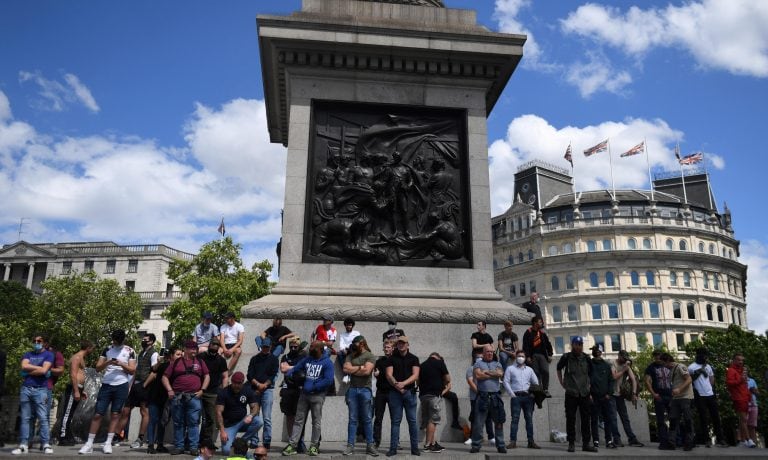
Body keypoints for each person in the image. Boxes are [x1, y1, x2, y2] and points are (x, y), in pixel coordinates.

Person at [79, 329, 137, 455]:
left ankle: (108, 442)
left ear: (122, 340)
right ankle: (89, 443)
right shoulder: (107, 349)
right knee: (98, 414)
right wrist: (109, 362)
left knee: (115, 414)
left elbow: (132, 370)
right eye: (114, 340)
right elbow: (98, 368)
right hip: (106, 384)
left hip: (121, 384)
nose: (115, 343)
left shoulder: (130, 351)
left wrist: (121, 364)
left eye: (117, 341)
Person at [281, 341, 335, 456]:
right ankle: (293, 445)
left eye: (312, 347)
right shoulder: (307, 359)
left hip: (317, 396)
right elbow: (296, 368)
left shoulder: (327, 363)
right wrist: (289, 375)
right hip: (304, 395)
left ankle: (314, 446)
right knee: (298, 420)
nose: (310, 348)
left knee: (316, 422)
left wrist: (314, 387)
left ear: (320, 349)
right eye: (310, 346)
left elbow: (328, 380)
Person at [162, 339, 211, 456]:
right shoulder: (176, 362)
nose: (194, 350)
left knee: (194, 423)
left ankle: (193, 447)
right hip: (178, 396)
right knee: (178, 423)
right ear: (185, 349)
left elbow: (207, 376)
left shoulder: (200, 361)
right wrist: (169, 390)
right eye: (191, 348)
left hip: (194, 396)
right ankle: (179, 446)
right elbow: (164, 377)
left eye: (195, 348)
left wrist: (202, 390)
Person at [12, 334, 55, 455]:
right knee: (25, 418)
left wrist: (30, 370)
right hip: (26, 389)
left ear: (44, 343)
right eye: (34, 340)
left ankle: (46, 443)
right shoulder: (28, 354)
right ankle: (23, 444)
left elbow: (44, 370)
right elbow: (23, 366)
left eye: (39, 341)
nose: (36, 342)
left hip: (41, 389)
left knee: (43, 417)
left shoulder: (48, 354)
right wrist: (39, 368)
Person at [556, 336, 596, 453]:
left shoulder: (587, 358)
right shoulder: (566, 357)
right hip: (571, 393)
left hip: (584, 393)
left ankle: (586, 444)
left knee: (585, 419)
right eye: (576, 344)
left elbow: (592, 373)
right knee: (570, 419)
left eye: (580, 344)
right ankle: (571, 443)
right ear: (572, 345)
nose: (578, 346)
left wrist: (589, 386)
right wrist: (561, 382)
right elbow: (558, 368)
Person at [120, 333, 160, 450]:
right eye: (143, 339)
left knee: (144, 411)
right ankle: (116, 436)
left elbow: (154, 372)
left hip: (144, 386)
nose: (143, 341)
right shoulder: (141, 353)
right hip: (135, 385)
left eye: (145, 340)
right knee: (126, 410)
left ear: (151, 341)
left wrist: (144, 385)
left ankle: (140, 438)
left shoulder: (154, 353)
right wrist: (130, 386)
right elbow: (136, 370)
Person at [342, 336, 379, 456]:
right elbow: (345, 369)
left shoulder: (370, 356)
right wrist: (359, 367)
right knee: (352, 419)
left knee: (367, 419)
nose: (353, 345)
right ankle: (350, 446)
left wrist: (353, 369)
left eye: (355, 343)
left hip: (365, 390)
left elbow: (367, 372)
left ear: (362, 344)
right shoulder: (351, 354)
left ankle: (370, 445)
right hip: (352, 390)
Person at [385, 336, 421, 457]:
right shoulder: (391, 359)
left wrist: (403, 384)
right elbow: (389, 375)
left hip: (409, 392)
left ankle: (415, 448)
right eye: (399, 343)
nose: (401, 345)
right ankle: (393, 448)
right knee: (395, 421)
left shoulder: (414, 358)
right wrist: (397, 385)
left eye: (403, 343)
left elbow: (415, 376)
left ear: (407, 345)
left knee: (412, 421)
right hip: (395, 393)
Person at [469, 345, 506, 454]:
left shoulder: (497, 363)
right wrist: (493, 374)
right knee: (478, 424)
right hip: (482, 397)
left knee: (499, 422)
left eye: (492, 352)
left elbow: (500, 374)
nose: (490, 353)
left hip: (495, 397)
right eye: (488, 352)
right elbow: (478, 376)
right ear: (483, 353)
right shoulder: (478, 363)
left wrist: (486, 372)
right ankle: (476, 445)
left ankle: (501, 445)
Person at [57, 340, 94, 445]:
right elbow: (73, 375)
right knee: (67, 413)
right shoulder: (76, 357)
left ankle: (68, 435)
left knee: (71, 414)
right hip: (74, 388)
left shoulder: (81, 358)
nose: (92, 351)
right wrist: (76, 390)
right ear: (88, 348)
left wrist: (82, 390)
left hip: (79, 388)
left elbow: (80, 374)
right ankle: (62, 436)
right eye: (92, 348)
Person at [146, 347, 182, 454]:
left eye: (181, 354)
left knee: (163, 422)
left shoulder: (179, 368)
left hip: (167, 399)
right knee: (153, 421)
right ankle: (151, 445)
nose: (180, 356)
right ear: (171, 356)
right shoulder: (165, 366)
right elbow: (154, 370)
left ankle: (160, 444)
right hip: (156, 397)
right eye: (177, 354)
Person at [688, 348, 726, 447]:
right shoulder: (691, 367)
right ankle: (706, 440)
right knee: (703, 418)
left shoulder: (708, 366)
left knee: (716, 418)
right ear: (698, 355)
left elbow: (712, 379)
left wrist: (711, 390)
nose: (705, 357)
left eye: (706, 355)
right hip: (700, 395)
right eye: (704, 355)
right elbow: (689, 381)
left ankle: (721, 439)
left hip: (710, 395)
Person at [217, 371, 263, 454]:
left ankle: (241, 442)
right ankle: (235, 444)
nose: (236, 385)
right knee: (226, 451)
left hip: (242, 422)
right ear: (231, 381)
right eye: (234, 383)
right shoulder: (224, 392)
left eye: (239, 383)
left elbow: (255, 406)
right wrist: (222, 431)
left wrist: (251, 415)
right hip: (229, 425)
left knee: (258, 421)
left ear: (242, 382)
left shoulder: (247, 390)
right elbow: (218, 412)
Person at [247, 337, 280, 449]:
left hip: (268, 389)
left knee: (267, 418)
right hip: (255, 389)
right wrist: (257, 384)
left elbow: (273, 374)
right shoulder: (254, 359)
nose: (265, 348)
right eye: (263, 346)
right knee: (255, 416)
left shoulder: (274, 359)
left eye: (267, 346)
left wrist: (264, 385)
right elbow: (249, 374)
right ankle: (254, 440)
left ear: (270, 346)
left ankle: (266, 441)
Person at [502, 349, 539, 449]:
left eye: (522, 356)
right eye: (519, 356)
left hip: (528, 397)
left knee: (529, 420)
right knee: (514, 420)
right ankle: (513, 442)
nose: (521, 358)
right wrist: (512, 394)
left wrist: (532, 394)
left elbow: (536, 383)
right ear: (516, 357)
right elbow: (505, 382)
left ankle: (531, 442)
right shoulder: (510, 368)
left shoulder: (529, 370)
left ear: (525, 358)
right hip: (516, 397)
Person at [279, 337, 308, 452]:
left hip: (299, 389)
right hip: (288, 389)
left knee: (300, 417)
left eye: (295, 346)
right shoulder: (285, 357)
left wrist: (290, 367)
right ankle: (292, 441)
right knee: (289, 416)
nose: (293, 348)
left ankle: (300, 440)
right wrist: (296, 368)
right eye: (291, 346)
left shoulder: (303, 357)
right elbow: (282, 369)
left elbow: (304, 369)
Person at [610, 350, 644, 447]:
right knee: (613, 418)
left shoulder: (626, 365)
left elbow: (633, 380)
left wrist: (634, 393)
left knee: (625, 418)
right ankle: (617, 439)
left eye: (626, 359)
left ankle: (632, 438)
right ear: (619, 356)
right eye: (623, 358)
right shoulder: (613, 363)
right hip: (612, 394)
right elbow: (614, 376)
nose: (624, 360)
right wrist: (624, 370)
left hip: (620, 395)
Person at [418, 352, 450, 453]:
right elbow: (448, 379)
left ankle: (433, 443)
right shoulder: (440, 363)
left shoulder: (421, 365)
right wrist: (441, 384)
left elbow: (417, 382)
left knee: (428, 420)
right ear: (438, 357)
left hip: (423, 396)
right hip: (434, 395)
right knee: (433, 420)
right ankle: (428, 445)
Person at [200, 338, 230, 446]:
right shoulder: (201, 357)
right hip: (198, 391)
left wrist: (224, 391)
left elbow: (225, 376)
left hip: (213, 392)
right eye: (213, 344)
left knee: (211, 419)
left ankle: (207, 442)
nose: (215, 346)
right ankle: (193, 442)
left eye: (217, 345)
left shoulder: (221, 360)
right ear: (209, 345)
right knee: (196, 419)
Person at [663, 353, 694, 451]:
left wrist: (679, 389)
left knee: (687, 420)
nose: (664, 366)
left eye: (664, 363)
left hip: (685, 397)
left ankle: (689, 442)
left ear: (667, 361)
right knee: (673, 420)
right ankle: (671, 442)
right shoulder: (671, 371)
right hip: (676, 398)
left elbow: (689, 379)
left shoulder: (681, 366)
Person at [589, 344, 616, 449]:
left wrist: (609, 394)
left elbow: (611, 380)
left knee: (607, 419)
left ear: (600, 352)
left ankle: (608, 441)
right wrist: (589, 394)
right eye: (593, 350)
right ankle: (595, 440)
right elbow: (586, 379)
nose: (595, 352)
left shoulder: (606, 365)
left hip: (605, 397)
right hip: (594, 397)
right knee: (594, 420)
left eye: (596, 350)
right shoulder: (590, 365)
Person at [644, 349, 672, 450]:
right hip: (659, 396)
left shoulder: (668, 365)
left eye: (659, 355)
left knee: (674, 418)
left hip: (670, 396)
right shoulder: (651, 367)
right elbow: (647, 381)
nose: (657, 357)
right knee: (660, 420)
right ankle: (663, 442)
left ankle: (674, 440)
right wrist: (653, 394)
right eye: (655, 356)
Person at [726, 353, 753, 447]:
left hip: (745, 397)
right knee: (744, 419)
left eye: (742, 360)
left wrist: (749, 395)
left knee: (743, 420)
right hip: (738, 397)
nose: (741, 362)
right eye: (738, 360)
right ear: (734, 360)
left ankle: (742, 441)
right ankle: (749, 440)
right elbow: (729, 383)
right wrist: (740, 379)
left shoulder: (742, 370)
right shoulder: (731, 370)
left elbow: (745, 385)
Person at [465, 360, 494, 446]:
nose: (480, 359)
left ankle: (491, 437)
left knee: (488, 417)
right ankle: (472, 437)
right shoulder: (471, 369)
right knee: (474, 417)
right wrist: (480, 393)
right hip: (475, 397)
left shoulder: (489, 369)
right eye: (478, 357)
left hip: (487, 396)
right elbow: (471, 382)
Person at [522, 316, 553, 395]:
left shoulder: (542, 333)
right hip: (533, 355)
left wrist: (550, 354)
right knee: (535, 372)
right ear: (535, 323)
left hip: (542, 355)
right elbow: (525, 346)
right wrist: (528, 356)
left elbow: (548, 345)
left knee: (545, 371)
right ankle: (537, 389)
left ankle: (545, 389)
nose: (541, 323)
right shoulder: (528, 332)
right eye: (540, 322)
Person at [373, 340, 394, 448]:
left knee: (394, 418)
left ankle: (395, 441)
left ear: (392, 348)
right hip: (380, 392)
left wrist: (380, 374)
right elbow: (377, 374)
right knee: (378, 417)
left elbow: (391, 376)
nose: (386, 349)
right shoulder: (379, 361)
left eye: (388, 347)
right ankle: (376, 441)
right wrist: (378, 374)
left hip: (392, 392)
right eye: (385, 347)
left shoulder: (395, 360)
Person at [338, 318, 361, 382]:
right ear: (345, 326)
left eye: (350, 325)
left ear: (352, 326)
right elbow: (341, 345)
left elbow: (359, 343)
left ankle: (349, 374)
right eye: (347, 325)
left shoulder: (356, 333)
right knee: (339, 354)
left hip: (354, 349)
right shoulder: (342, 334)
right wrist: (343, 350)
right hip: (345, 351)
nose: (348, 326)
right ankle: (346, 374)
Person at [747, 375, 759, 449]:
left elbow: (758, 393)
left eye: (746, 371)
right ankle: (744, 441)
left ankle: (754, 443)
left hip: (754, 404)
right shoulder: (739, 380)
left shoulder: (752, 380)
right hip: (745, 404)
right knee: (744, 423)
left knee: (752, 425)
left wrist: (754, 390)